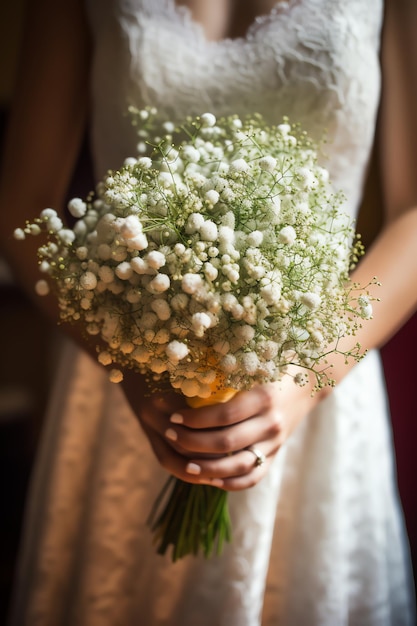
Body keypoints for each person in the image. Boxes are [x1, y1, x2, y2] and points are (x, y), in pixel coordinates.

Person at [0, 0, 416, 623]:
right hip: (124, 390)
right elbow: (23, 206)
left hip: (314, 394)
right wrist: (132, 371)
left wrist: (302, 382)